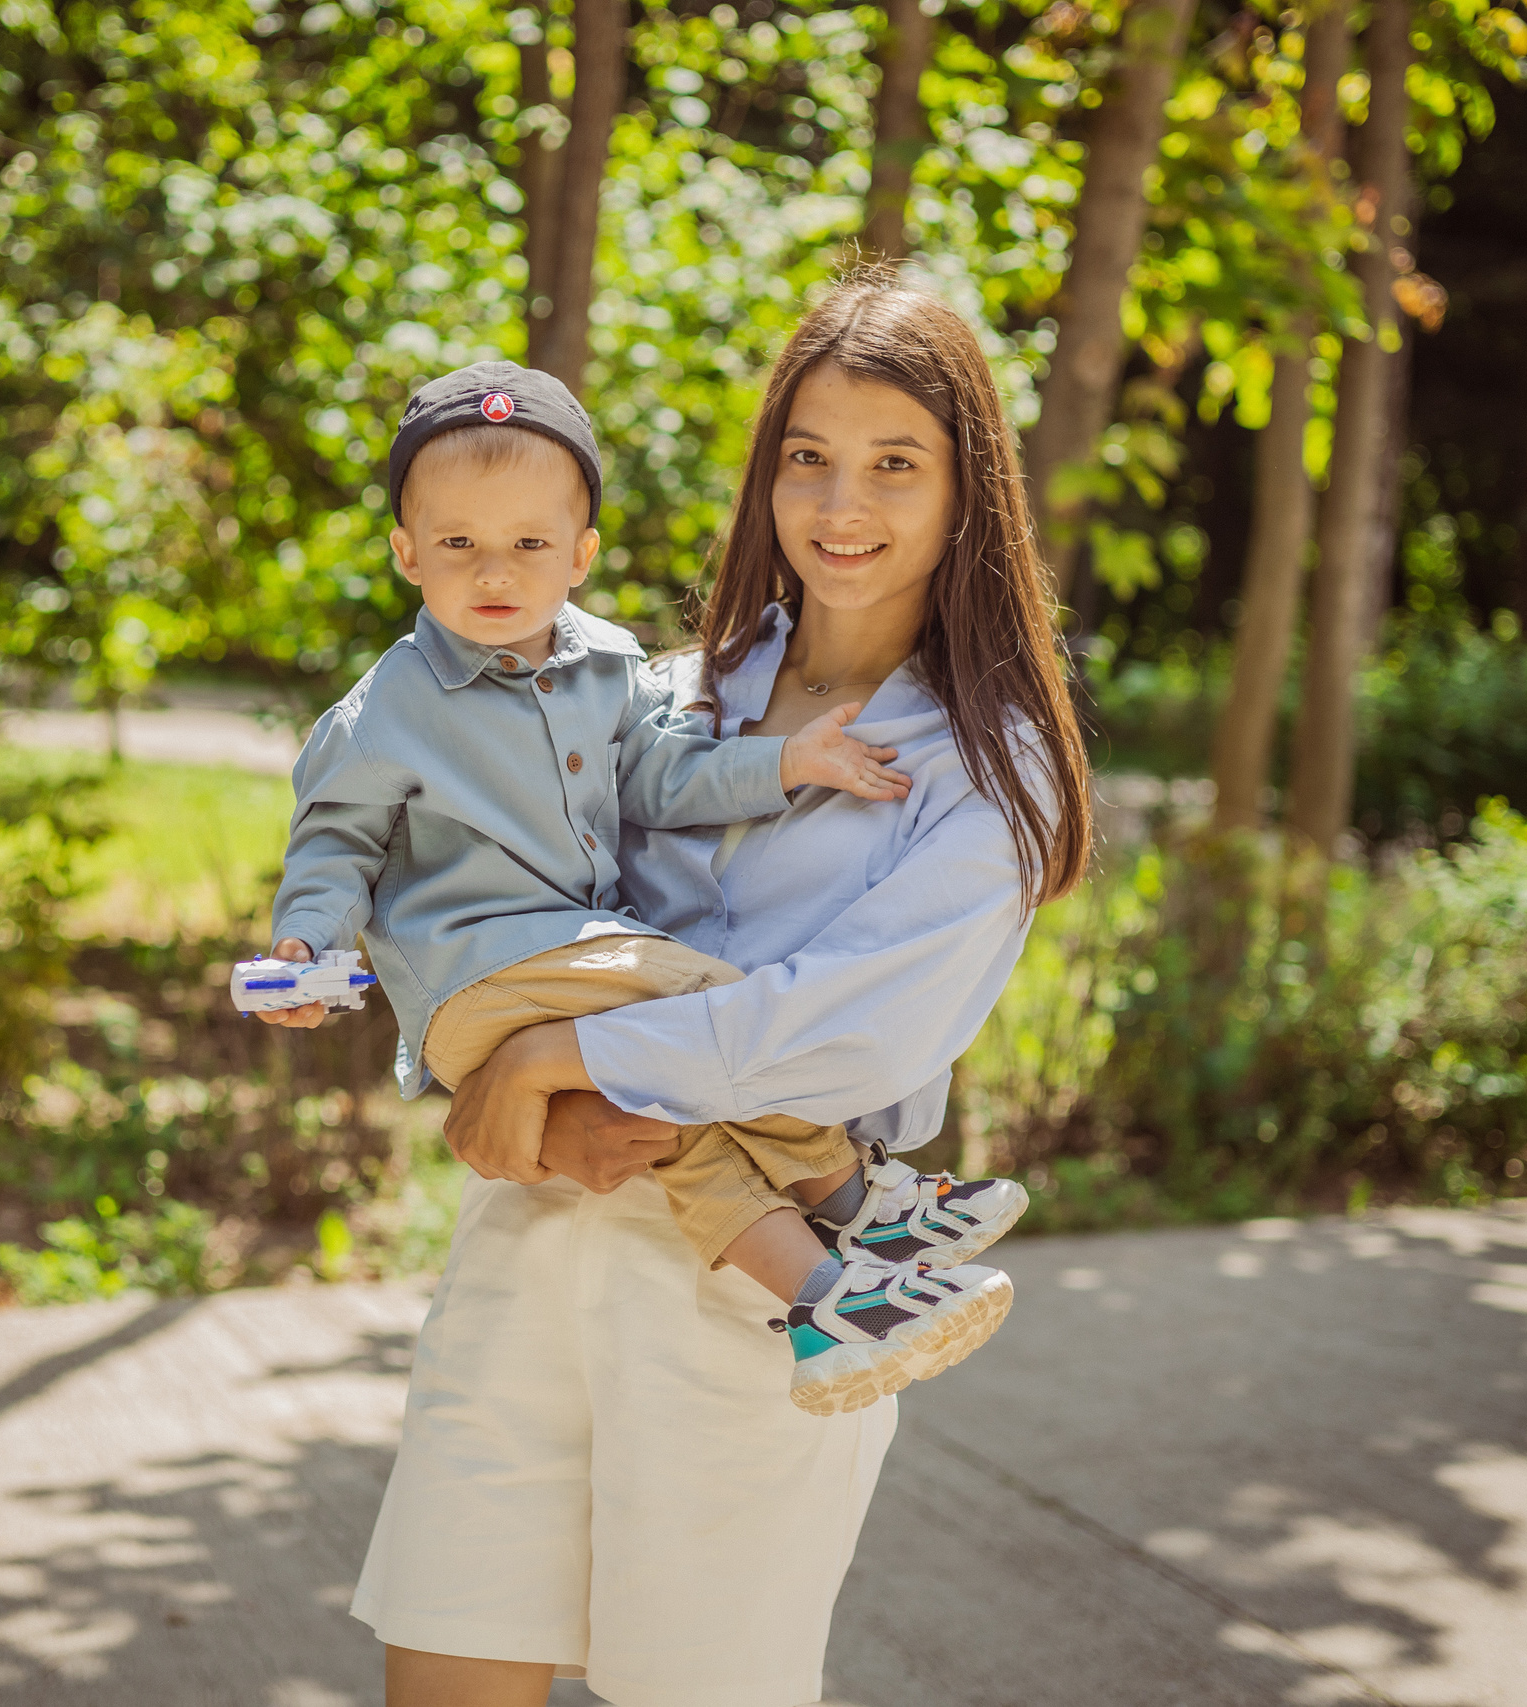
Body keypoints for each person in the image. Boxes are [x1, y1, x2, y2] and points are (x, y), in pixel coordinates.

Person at [351, 272, 1093, 1707]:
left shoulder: (989, 763)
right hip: (537, 1235)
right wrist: (509, 1096)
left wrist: (558, 1052)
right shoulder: (664, 696)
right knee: (444, 1664)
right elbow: (491, 903)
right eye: (807, 455)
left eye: (894, 463)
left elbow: (846, 1028)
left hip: (756, 1306)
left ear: (967, 491)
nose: (840, 503)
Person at [252, 360, 1034, 1416]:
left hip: (601, 1088)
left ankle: (826, 1296)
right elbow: (333, 845)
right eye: (457, 545)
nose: (494, 571)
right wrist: (306, 948)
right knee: (695, 1001)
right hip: (488, 975)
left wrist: (787, 764)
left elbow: (671, 783)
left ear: (580, 555)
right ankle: (859, 1211)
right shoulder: (388, 709)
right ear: (405, 554)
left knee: (687, 1094)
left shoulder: (618, 674)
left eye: (529, 544)